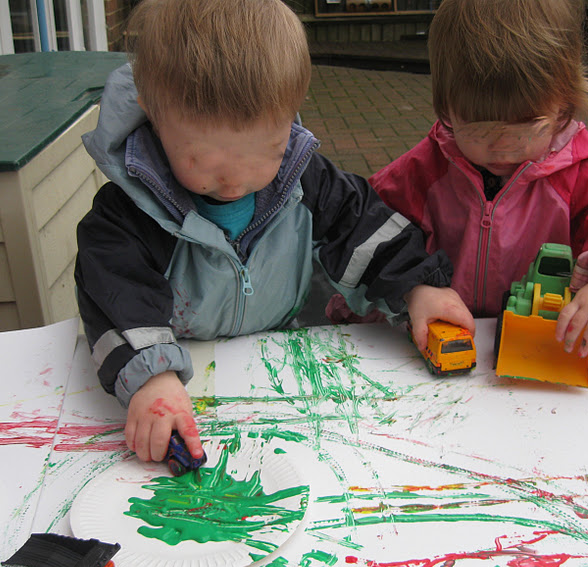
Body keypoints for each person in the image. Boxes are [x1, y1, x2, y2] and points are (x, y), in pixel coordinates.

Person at [74, 0, 473, 464]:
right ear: (153, 112)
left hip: (285, 374)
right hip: (188, 374)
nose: (236, 181)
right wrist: (152, 377)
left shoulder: (303, 179)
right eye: (204, 162)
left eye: (268, 151)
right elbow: (114, 292)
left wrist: (415, 287)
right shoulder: (129, 213)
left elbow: (362, 228)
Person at [350, 0, 588, 359]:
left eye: (527, 129)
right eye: (479, 130)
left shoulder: (579, 172)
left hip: (541, 345)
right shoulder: (424, 172)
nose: (502, 149)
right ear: (445, 109)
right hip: (438, 342)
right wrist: (398, 294)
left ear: (563, 107)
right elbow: (365, 235)